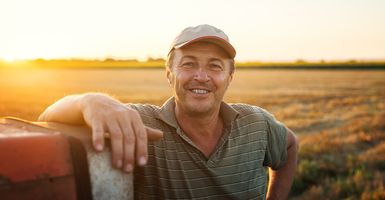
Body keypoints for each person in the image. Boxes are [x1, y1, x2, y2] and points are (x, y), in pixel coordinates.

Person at [39, 24, 298, 199]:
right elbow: (46, 118)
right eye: (188, 64)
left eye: (215, 66)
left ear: (230, 76)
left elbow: (289, 146)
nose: (201, 76)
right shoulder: (138, 124)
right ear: (169, 74)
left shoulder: (256, 123)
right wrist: (89, 101)